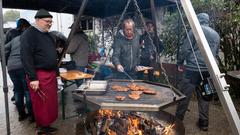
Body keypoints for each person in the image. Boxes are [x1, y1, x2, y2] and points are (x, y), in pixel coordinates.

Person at [175, 13, 220, 131]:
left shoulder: (195, 30)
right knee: (205, 97)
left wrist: (180, 63)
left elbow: (186, 49)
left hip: (192, 70)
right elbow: (215, 54)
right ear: (207, 21)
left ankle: (177, 121)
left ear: (198, 20)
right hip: (208, 71)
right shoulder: (216, 35)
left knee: (184, 96)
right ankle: (204, 124)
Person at [20, 9, 58, 134]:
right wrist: (32, 78)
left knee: (49, 103)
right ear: (37, 20)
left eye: (51, 22)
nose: (49, 24)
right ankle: (41, 128)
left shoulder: (47, 34)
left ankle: (46, 125)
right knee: (41, 104)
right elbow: (26, 57)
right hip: (39, 75)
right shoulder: (29, 34)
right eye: (47, 21)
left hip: (50, 75)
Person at [4, 19, 34, 122]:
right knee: (27, 91)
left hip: (11, 68)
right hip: (23, 67)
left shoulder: (15, 39)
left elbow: (3, 49)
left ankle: (21, 115)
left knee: (17, 91)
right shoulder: (29, 39)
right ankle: (31, 116)